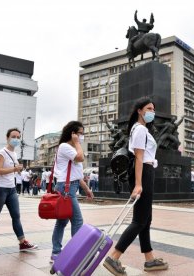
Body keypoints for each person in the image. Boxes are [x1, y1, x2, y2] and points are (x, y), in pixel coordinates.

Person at [103, 98, 168, 276]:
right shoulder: (139, 129)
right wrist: (138, 184)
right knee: (139, 221)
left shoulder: (141, 129)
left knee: (145, 220)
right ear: (139, 110)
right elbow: (139, 157)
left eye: (153, 109)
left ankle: (149, 259)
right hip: (144, 174)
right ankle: (114, 257)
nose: (152, 112)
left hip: (147, 173)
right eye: (148, 108)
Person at [0, 128, 38, 253]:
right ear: (7, 138)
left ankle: (22, 242)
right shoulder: (2, 153)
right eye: (13, 136)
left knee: (16, 216)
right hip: (0, 189)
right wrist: (14, 169)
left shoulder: (14, 154)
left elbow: (11, 170)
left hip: (11, 189)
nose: (16, 139)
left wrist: (17, 169)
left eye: (18, 137)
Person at [51, 121, 94, 262]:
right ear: (72, 133)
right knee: (77, 221)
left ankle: (56, 252)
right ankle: (76, 253)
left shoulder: (71, 148)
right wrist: (77, 143)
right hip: (65, 188)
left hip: (69, 186)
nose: (81, 136)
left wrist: (87, 189)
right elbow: (80, 157)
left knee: (62, 222)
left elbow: (76, 174)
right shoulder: (64, 146)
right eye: (80, 133)